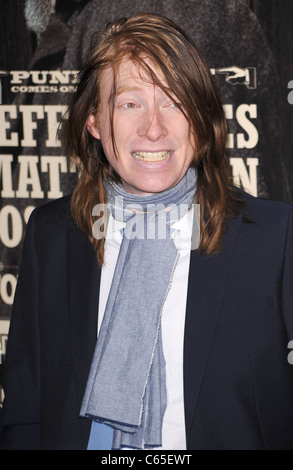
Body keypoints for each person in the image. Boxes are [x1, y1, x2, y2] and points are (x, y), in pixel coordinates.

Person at [1, 13, 293, 451]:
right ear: (94, 122)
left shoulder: (275, 238)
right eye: (129, 103)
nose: (153, 128)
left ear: (201, 120)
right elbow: (26, 408)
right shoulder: (52, 235)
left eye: (174, 102)